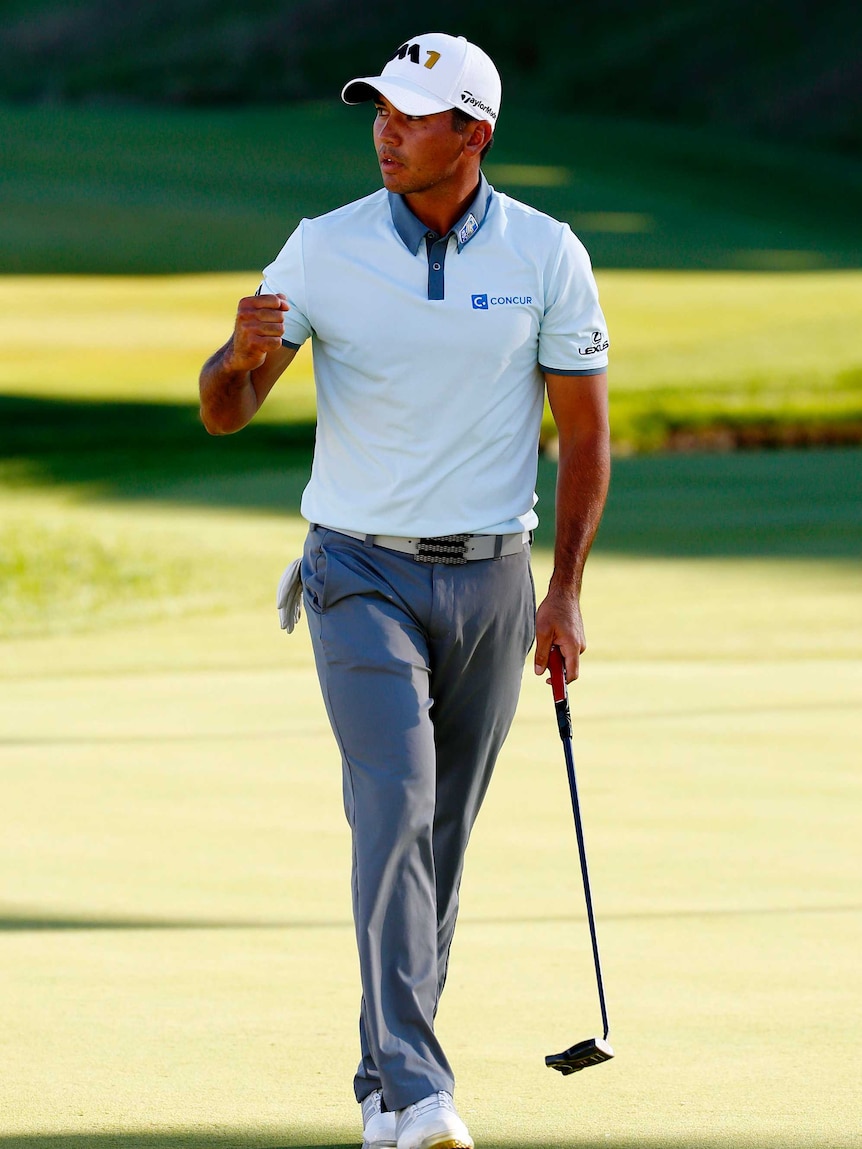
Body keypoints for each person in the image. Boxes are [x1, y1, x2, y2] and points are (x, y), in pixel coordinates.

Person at [199, 31, 610, 1149]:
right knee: (393, 806)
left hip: (494, 580)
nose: (384, 130)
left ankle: (385, 1090)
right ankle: (421, 1090)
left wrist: (563, 593)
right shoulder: (322, 249)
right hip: (356, 571)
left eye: (410, 115)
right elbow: (224, 407)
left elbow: (582, 437)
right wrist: (235, 362)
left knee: (439, 843)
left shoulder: (546, 254)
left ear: (470, 134)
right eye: (377, 111)